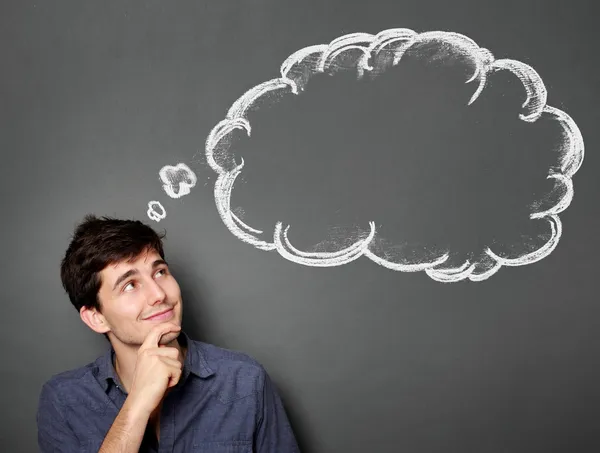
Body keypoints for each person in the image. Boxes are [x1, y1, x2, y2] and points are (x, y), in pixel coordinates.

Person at [36, 214, 300, 452]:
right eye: (130, 285)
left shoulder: (244, 380)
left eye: (160, 272)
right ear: (96, 317)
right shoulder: (64, 401)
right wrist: (138, 403)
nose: (159, 294)